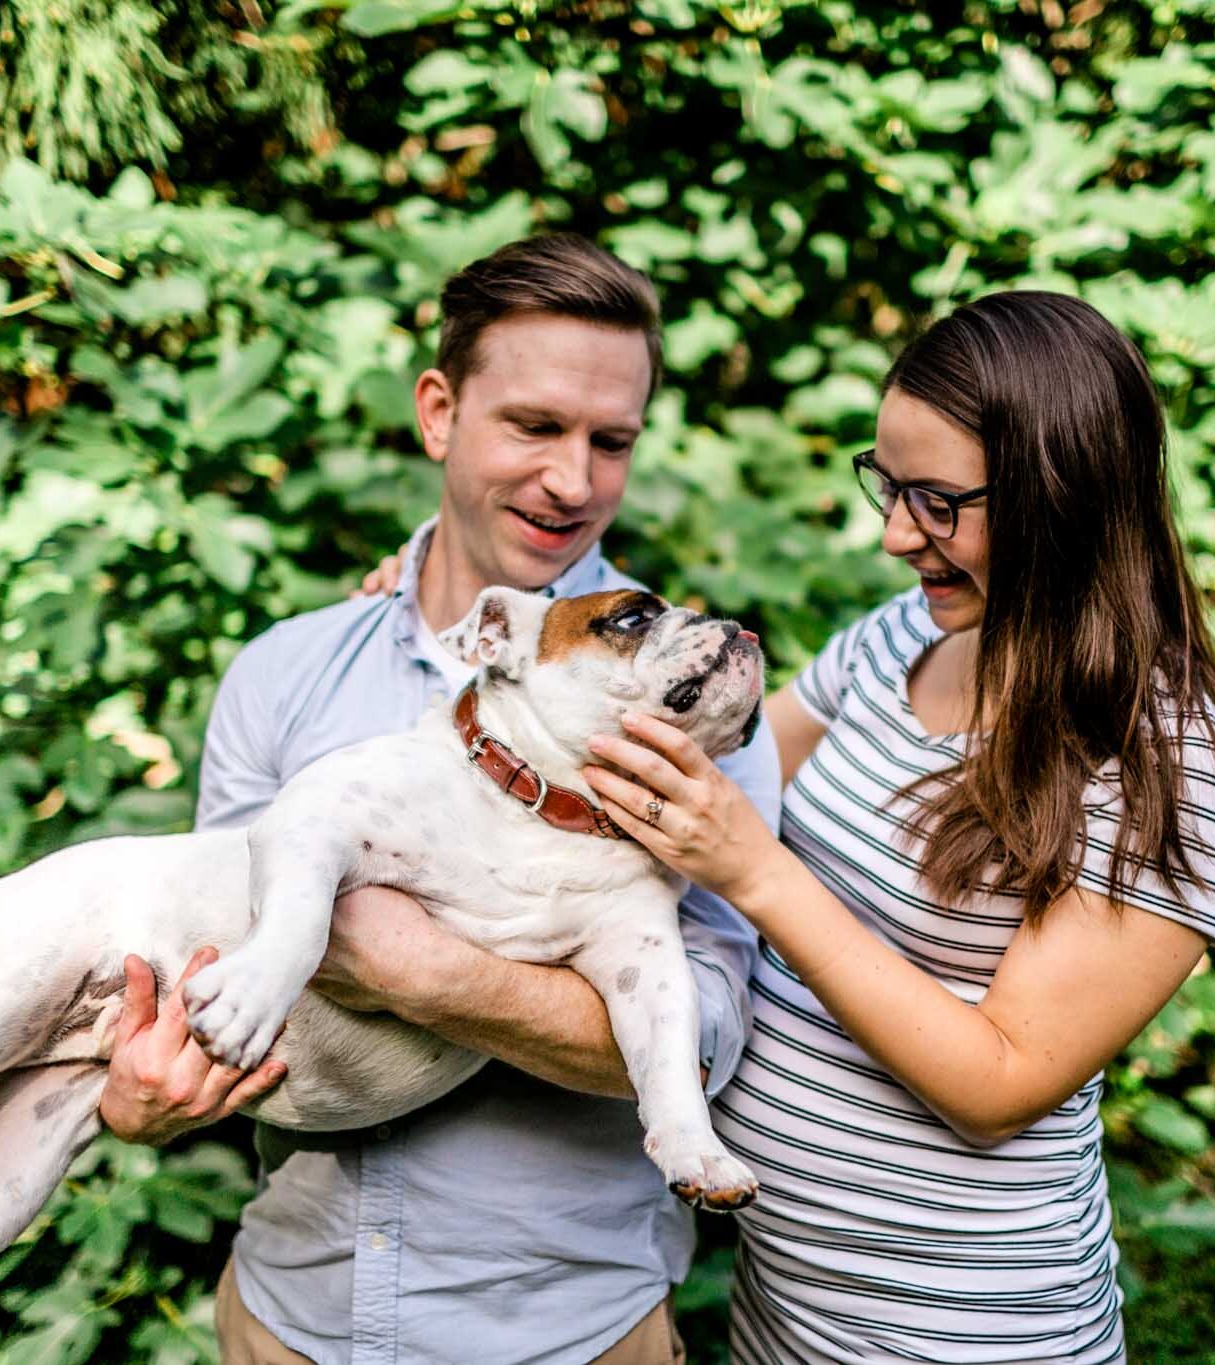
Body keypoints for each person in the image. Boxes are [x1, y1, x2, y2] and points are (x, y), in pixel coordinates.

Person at [97, 233, 782, 1365]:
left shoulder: (692, 706)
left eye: (609, 442)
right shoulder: (285, 674)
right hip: (288, 1321)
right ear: (436, 413)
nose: (572, 481)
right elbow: (202, 979)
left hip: (574, 1336)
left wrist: (426, 973)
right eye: (533, 427)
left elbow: (703, 1044)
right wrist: (140, 1101)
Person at [577, 291, 1215, 1364]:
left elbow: (999, 1083)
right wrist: (483, 618)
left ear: (1061, 496)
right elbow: (722, 765)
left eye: (937, 501)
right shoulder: (907, 633)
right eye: (888, 486)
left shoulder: (1165, 755)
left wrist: (757, 875)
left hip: (964, 1333)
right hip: (785, 1319)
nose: (896, 535)